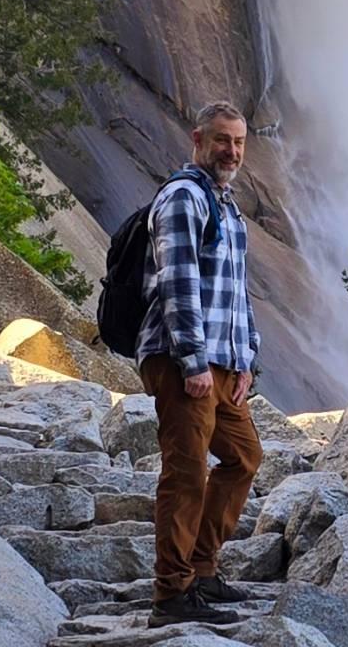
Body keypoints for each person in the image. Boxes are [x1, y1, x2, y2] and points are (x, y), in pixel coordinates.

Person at [137, 101, 264, 627]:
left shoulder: (227, 205)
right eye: (221, 141)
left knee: (244, 458)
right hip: (182, 361)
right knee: (187, 472)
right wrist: (193, 362)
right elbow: (177, 284)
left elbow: (236, 293)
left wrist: (247, 358)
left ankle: (201, 570)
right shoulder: (184, 198)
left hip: (224, 365)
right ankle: (171, 595)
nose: (230, 151)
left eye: (237, 142)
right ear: (198, 140)